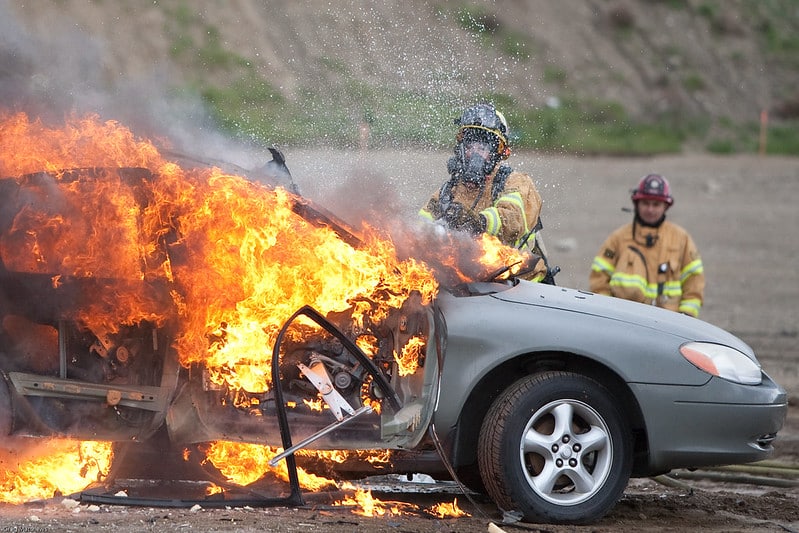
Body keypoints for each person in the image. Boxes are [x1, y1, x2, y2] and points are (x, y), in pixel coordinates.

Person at [419, 103, 554, 282]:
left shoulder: (514, 182)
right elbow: (420, 228)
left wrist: (479, 222)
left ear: (497, 152)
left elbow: (513, 221)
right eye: (470, 147)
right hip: (474, 286)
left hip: (521, 285)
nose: (475, 154)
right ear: (461, 149)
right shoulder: (448, 192)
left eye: (482, 148)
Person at [589, 174, 705, 317]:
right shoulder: (618, 238)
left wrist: (686, 316)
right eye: (645, 203)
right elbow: (599, 281)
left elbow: (694, 281)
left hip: (669, 322)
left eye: (656, 204)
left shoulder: (681, 238)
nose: (650, 209)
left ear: (665, 206)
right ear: (636, 204)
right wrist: (608, 313)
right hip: (626, 319)